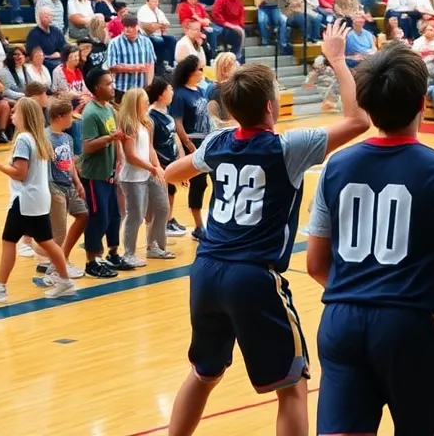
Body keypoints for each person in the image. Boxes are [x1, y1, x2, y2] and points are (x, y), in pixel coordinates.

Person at [162, 23, 371, 436]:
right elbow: (359, 120)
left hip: (205, 271)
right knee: (292, 386)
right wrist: (335, 59)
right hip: (253, 277)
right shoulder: (287, 148)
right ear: (272, 107)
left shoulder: (217, 144)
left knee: (203, 374)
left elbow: (171, 173)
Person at [306, 42, 434, 434]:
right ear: (422, 104)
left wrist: (360, 291)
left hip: (340, 322)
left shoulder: (335, 166)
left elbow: (315, 264)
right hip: (408, 326)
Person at [0, 98, 77, 302]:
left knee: (10, 240)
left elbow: (20, 173)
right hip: (38, 198)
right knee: (46, 242)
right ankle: (64, 280)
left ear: (24, 116)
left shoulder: (23, 140)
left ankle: (0, 288)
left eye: (15, 112)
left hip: (25, 199)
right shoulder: (39, 138)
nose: (12, 115)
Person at [78, 69, 134, 278]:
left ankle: (112, 253)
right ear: (96, 88)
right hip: (94, 175)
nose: (113, 86)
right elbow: (88, 146)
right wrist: (111, 138)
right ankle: (91, 261)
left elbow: (116, 136)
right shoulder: (91, 113)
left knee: (114, 215)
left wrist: (119, 156)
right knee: (98, 216)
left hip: (109, 172)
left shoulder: (108, 108)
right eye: (108, 83)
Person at [115, 88, 169, 267]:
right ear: (134, 103)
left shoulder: (148, 122)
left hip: (149, 173)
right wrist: (152, 169)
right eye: (144, 100)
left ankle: (154, 246)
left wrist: (158, 167)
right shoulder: (128, 124)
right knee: (136, 215)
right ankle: (128, 253)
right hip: (133, 177)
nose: (147, 103)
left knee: (162, 207)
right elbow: (130, 156)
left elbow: (151, 149)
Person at [42, 99, 88, 283]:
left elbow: (69, 164)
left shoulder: (67, 138)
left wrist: (77, 182)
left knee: (83, 214)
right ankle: (53, 270)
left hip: (69, 184)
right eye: (69, 116)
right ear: (59, 117)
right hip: (54, 187)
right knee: (59, 233)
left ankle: (61, 260)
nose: (72, 119)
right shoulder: (45, 138)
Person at [170, 55, 211, 241]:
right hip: (192, 142)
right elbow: (178, 123)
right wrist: (188, 144)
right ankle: (198, 226)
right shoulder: (180, 94)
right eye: (199, 69)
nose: (202, 72)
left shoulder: (200, 91)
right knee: (198, 183)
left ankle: (211, 223)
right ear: (190, 72)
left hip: (206, 140)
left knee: (215, 182)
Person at [147, 77, 188, 238]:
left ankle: (169, 220)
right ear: (160, 94)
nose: (172, 92)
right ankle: (161, 223)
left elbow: (175, 137)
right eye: (169, 89)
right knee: (161, 194)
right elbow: (150, 144)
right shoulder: (151, 115)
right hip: (160, 161)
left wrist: (181, 158)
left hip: (172, 159)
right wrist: (157, 164)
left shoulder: (167, 111)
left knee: (171, 191)